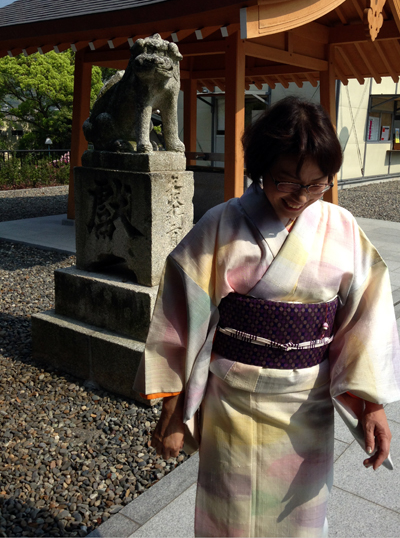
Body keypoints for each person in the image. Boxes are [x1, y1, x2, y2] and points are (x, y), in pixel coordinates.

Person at [134, 96, 400, 538]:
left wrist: (372, 405)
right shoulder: (221, 225)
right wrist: (172, 415)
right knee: (229, 518)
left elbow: (365, 319)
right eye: (287, 181)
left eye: (318, 185)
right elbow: (181, 323)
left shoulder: (341, 227)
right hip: (232, 405)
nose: (302, 197)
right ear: (260, 168)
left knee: (301, 521)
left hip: (306, 408)